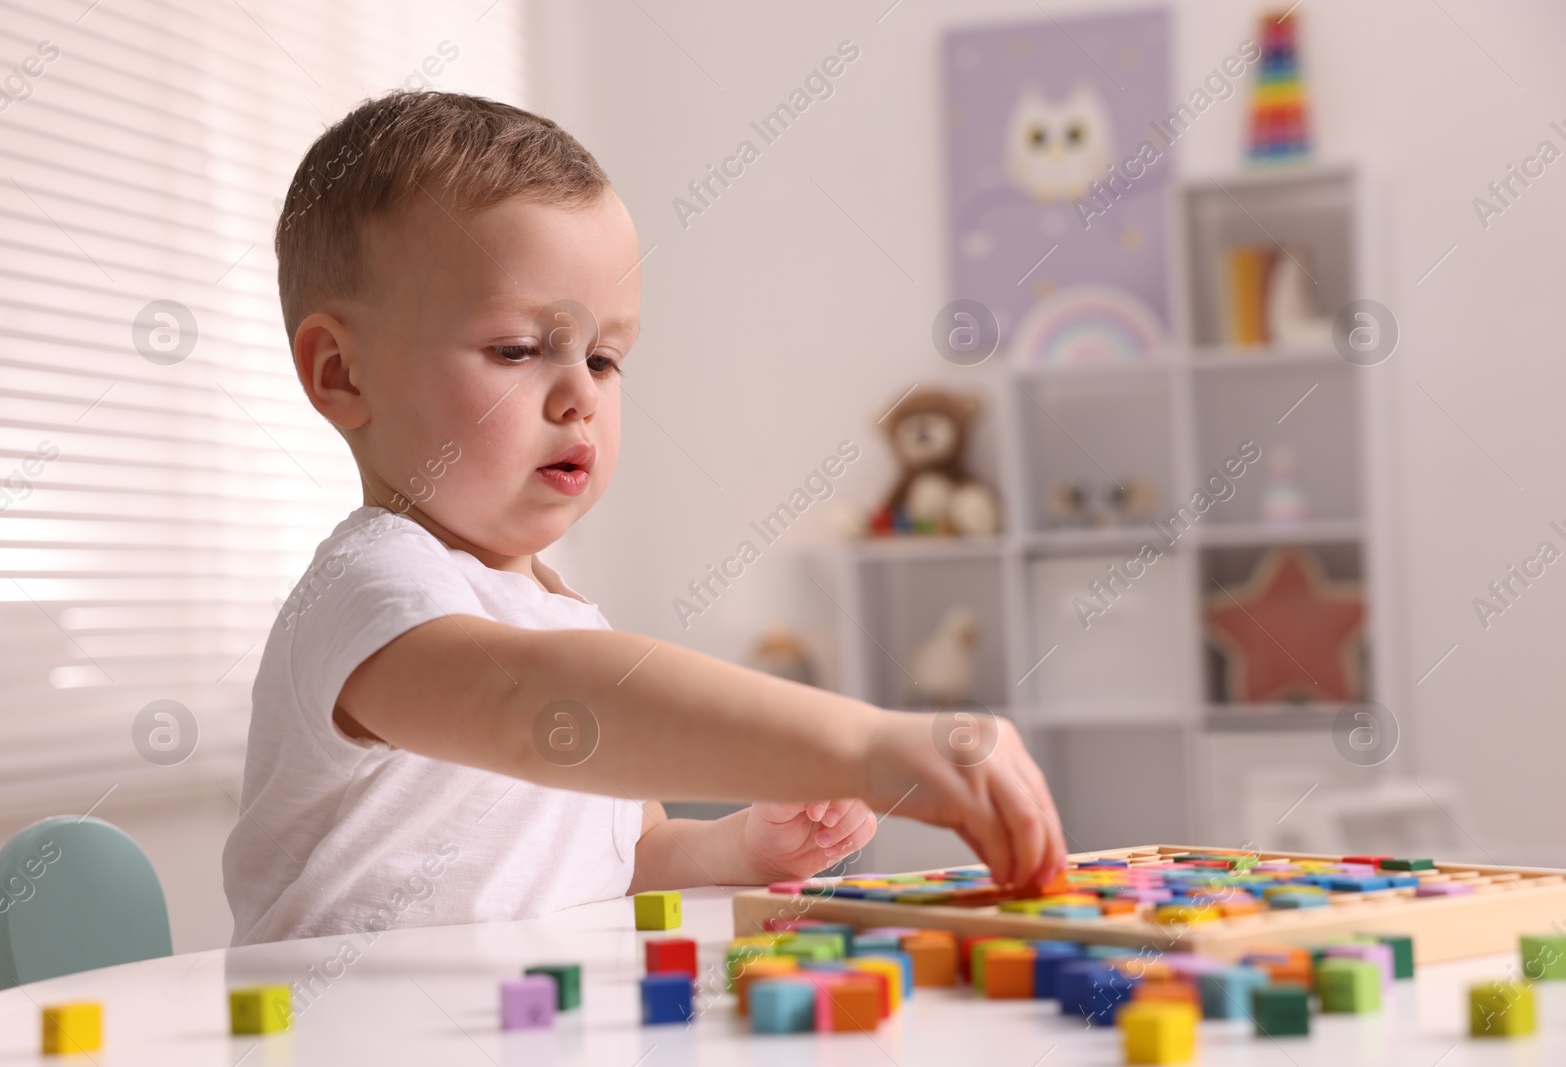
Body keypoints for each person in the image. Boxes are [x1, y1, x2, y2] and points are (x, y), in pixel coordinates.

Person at [222, 91, 1064, 946]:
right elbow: (525, 699)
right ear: (341, 373)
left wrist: (740, 842)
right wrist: (858, 742)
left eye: (603, 356)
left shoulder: (561, 613)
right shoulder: (371, 588)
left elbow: (630, 857)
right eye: (517, 349)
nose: (580, 393)